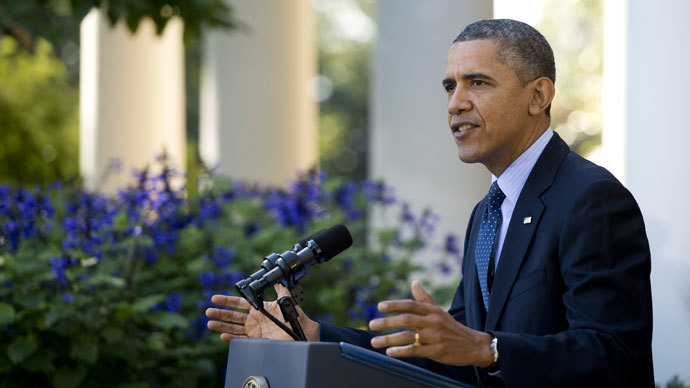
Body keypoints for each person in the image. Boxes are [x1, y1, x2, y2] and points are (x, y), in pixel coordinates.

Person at [205, 19, 653, 388]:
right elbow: (447, 355)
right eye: (449, 86)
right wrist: (316, 336)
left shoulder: (591, 198)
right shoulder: (489, 212)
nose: (456, 103)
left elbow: (615, 355)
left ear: (538, 96)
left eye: (477, 83)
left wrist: (488, 349)